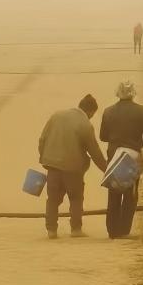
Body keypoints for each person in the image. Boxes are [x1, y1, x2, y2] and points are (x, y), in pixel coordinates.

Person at [37, 94, 108, 238]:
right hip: (73, 169)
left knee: (52, 199)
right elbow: (94, 152)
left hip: (52, 166)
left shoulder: (56, 116)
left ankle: (51, 230)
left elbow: (42, 140)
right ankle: (76, 229)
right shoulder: (85, 124)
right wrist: (107, 170)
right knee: (76, 198)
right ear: (91, 111)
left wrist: (44, 158)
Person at [99, 81, 143, 239]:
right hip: (132, 157)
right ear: (133, 93)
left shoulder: (108, 111)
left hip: (114, 157)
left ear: (118, 93)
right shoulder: (141, 111)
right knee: (130, 195)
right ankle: (123, 230)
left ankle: (112, 231)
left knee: (114, 194)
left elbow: (103, 136)